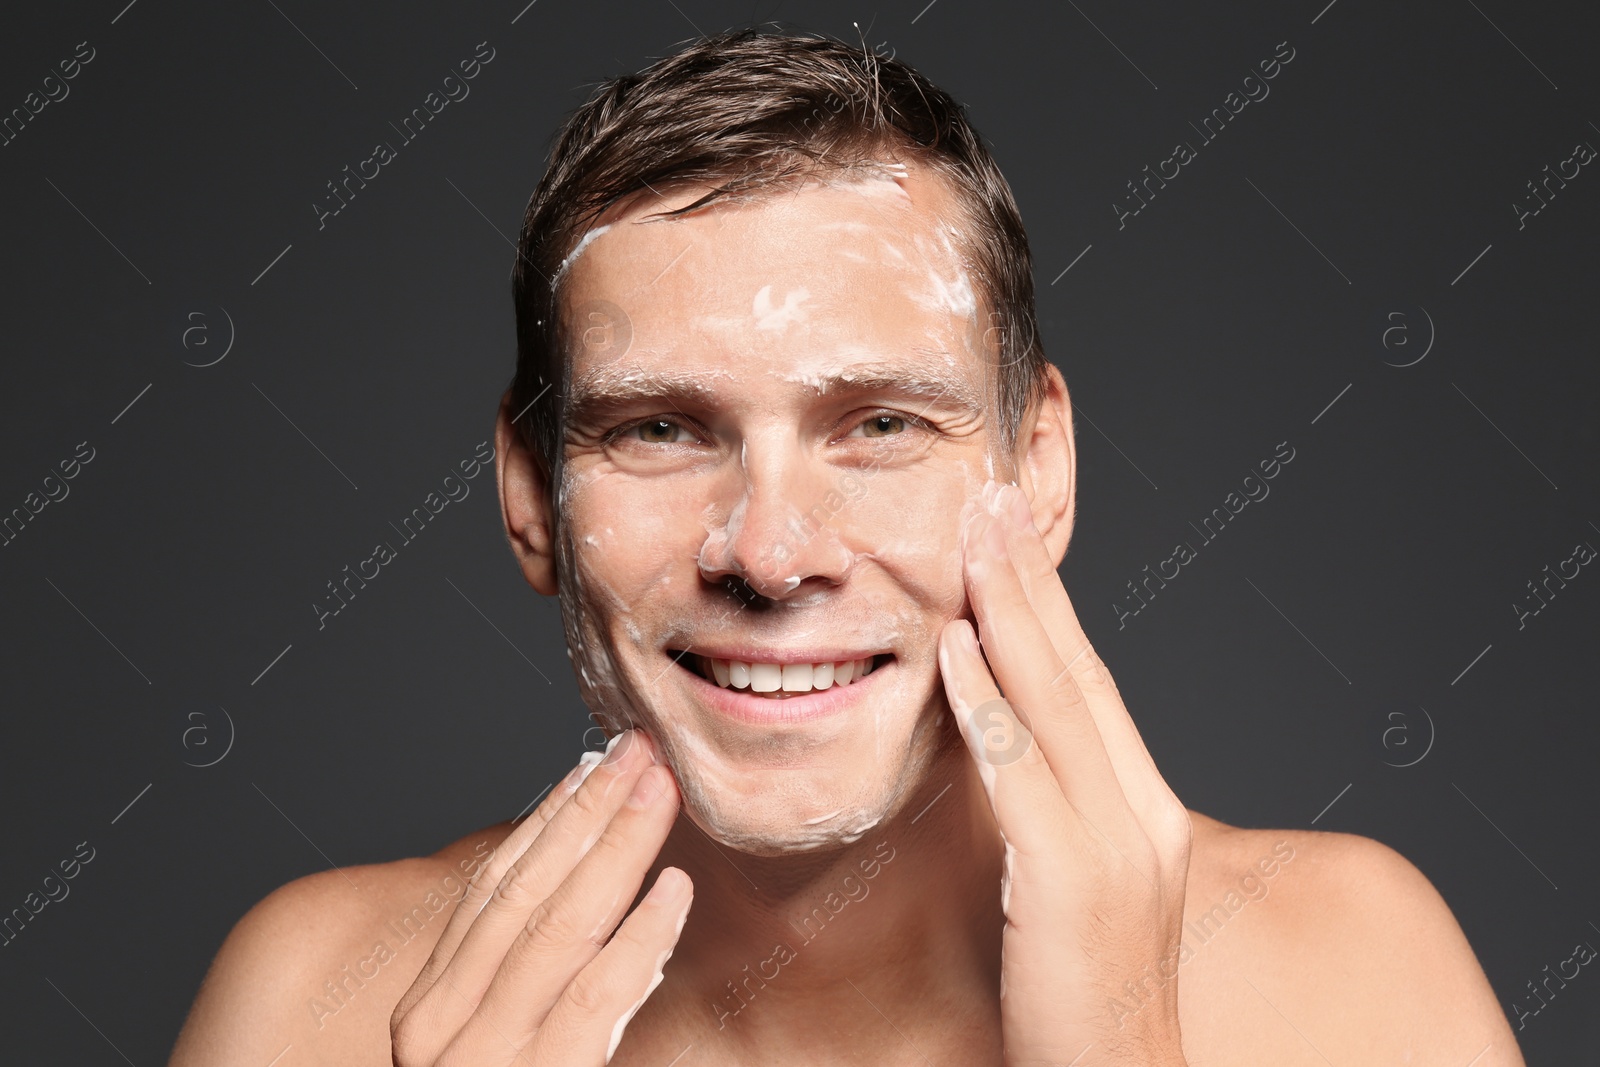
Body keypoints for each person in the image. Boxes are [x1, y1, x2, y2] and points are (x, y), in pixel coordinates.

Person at [169, 28, 1523, 1066]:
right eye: (658, 430)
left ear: (1039, 469)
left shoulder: (1343, 979)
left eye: (878, 422)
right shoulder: (316, 1001)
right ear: (531, 494)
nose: (769, 551)